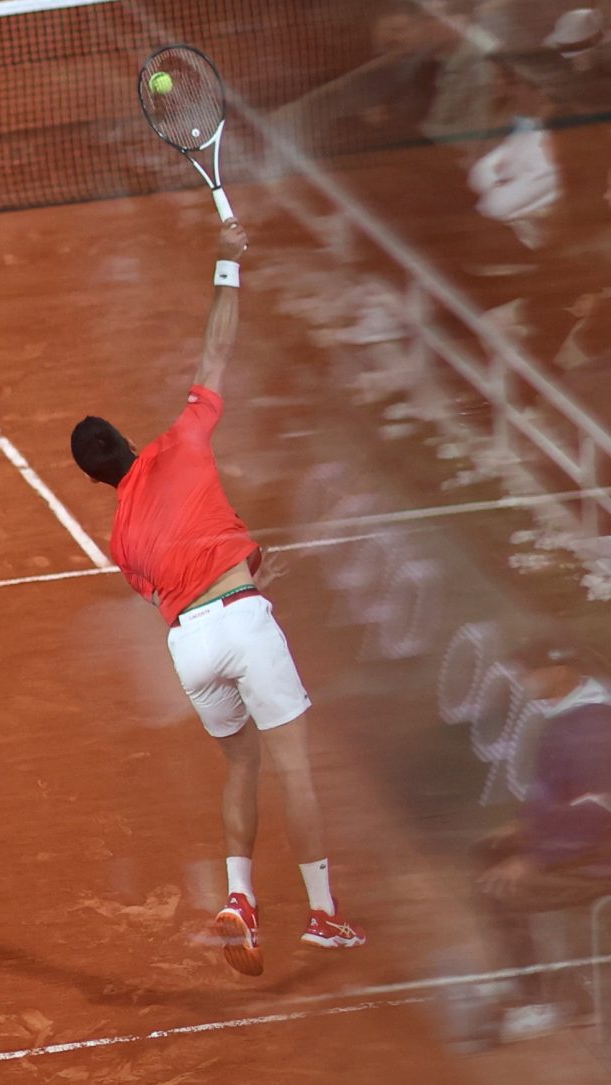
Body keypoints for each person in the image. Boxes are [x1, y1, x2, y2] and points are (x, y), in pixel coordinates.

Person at [70, 219, 364, 976]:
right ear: (127, 442)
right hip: (241, 621)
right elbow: (216, 350)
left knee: (241, 765)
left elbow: (170, 586)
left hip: (190, 647)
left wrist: (240, 576)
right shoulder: (182, 442)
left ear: (98, 479)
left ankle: (240, 898)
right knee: (294, 766)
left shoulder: (120, 540)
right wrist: (228, 262)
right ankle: (326, 915)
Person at [475, 637, 611, 1042]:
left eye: (532, 672)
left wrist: (536, 857)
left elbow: (596, 815)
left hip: (608, 855)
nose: (525, 680)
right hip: (583, 844)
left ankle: (544, 1002)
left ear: (561, 672)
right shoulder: (571, 712)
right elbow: (557, 792)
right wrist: (525, 827)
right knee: (486, 855)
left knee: (503, 890)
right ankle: (524, 984)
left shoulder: (594, 728)